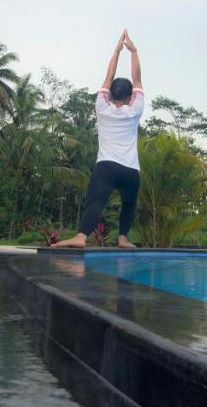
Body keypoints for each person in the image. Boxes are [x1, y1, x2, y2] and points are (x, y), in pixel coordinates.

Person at [54, 29, 145, 249]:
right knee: (129, 203)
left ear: (111, 94)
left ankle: (81, 237)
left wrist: (116, 50)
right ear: (130, 95)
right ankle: (123, 238)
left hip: (107, 167)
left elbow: (108, 77)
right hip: (131, 171)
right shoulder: (135, 109)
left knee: (96, 201)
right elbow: (137, 79)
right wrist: (134, 51)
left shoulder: (102, 107)